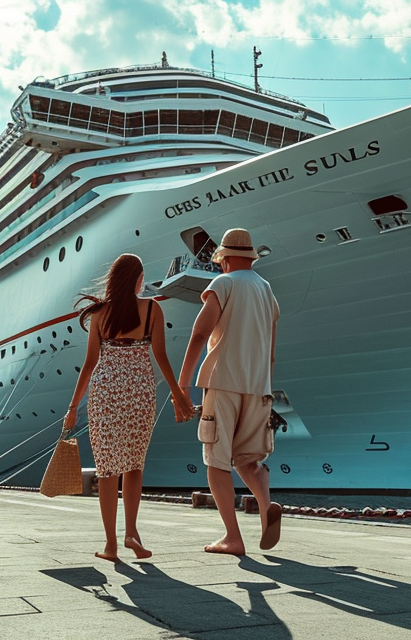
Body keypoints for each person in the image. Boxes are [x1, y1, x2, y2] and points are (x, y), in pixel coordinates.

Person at [64, 253, 194, 562]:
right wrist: (177, 395)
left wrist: (72, 408)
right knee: (135, 465)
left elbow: (89, 364)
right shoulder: (152, 310)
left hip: (105, 395)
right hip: (140, 394)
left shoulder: (99, 315)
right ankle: (132, 532)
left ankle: (110, 545)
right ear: (136, 280)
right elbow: (161, 357)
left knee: (108, 469)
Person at [177, 228, 282, 556]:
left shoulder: (224, 284)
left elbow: (199, 333)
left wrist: (182, 384)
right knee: (247, 459)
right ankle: (266, 506)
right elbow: (272, 351)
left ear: (227, 258)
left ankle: (232, 538)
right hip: (258, 387)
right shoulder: (267, 290)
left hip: (223, 382)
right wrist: (264, 386)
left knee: (217, 461)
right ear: (250, 257)